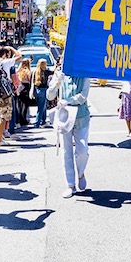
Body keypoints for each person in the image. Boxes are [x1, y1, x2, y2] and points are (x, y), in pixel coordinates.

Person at [48, 65, 91, 198]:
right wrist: (56, 83)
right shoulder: (59, 74)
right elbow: (50, 96)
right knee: (66, 150)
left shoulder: (84, 74)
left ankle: (81, 172)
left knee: (82, 150)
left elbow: (83, 96)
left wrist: (68, 101)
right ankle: (70, 184)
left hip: (81, 116)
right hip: (64, 117)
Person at [0, 45, 21, 146]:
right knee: (3, 115)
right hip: (5, 92)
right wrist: (11, 48)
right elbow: (20, 56)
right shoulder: (6, 62)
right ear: (4, 54)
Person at [32, 58, 52, 128]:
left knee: (42, 106)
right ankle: (37, 123)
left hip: (36, 90)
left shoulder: (35, 71)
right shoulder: (46, 71)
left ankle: (43, 121)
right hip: (43, 90)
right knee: (41, 108)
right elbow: (54, 72)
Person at [16, 58, 33, 127]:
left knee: (19, 105)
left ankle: (19, 119)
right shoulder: (28, 71)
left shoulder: (19, 71)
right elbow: (30, 80)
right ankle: (24, 120)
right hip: (26, 87)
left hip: (20, 87)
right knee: (25, 105)